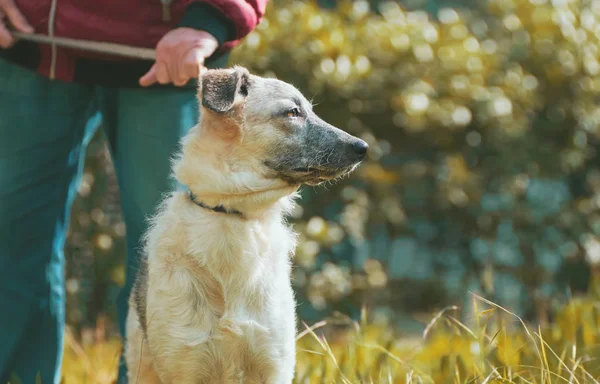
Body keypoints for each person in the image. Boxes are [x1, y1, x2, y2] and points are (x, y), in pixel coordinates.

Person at [0, 0, 268, 382]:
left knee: (167, 260)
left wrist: (211, 19)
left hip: (171, 48)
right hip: (26, 37)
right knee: (8, 244)